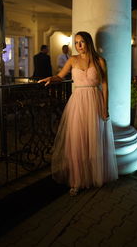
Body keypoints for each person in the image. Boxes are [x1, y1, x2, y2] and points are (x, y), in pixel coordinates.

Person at [38, 31, 118, 196]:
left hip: (94, 101)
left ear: (88, 42)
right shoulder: (72, 60)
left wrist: (105, 108)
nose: (79, 46)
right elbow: (60, 76)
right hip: (78, 102)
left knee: (93, 140)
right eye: (76, 43)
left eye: (81, 42)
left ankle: (94, 176)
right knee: (76, 140)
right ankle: (76, 181)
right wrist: (50, 79)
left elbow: (105, 86)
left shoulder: (100, 61)